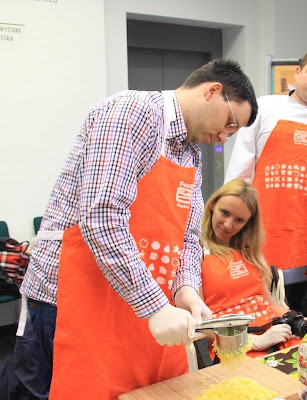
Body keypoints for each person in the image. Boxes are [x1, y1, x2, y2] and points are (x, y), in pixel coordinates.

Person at [0, 59, 258, 400]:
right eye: (228, 123)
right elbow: (102, 217)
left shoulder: (190, 153)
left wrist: (186, 289)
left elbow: (188, 237)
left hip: (125, 299)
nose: (223, 137)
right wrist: (155, 306)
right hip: (69, 296)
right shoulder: (131, 112)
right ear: (212, 91)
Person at [225, 50, 307, 315]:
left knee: (302, 309)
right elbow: (241, 168)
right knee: (257, 304)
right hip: (263, 227)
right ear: (297, 73)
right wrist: (230, 218)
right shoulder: (265, 108)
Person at [198, 178, 302, 359]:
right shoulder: (194, 253)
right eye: (225, 213)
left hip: (274, 333)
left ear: (248, 223)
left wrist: (297, 319)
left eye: (239, 220)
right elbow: (199, 325)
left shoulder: (250, 253)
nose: (228, 225)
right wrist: (252, 341)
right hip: (234, 348)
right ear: (212, 205)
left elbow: (269, 304)